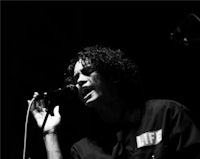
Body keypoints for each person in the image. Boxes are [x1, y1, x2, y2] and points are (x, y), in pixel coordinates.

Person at [29, 46, 200, 159]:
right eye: (75, 78)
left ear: (112, 75)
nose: (79, 81)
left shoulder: (166, 114)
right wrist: (49, 132)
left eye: (87, 71)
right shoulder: (84, 149)